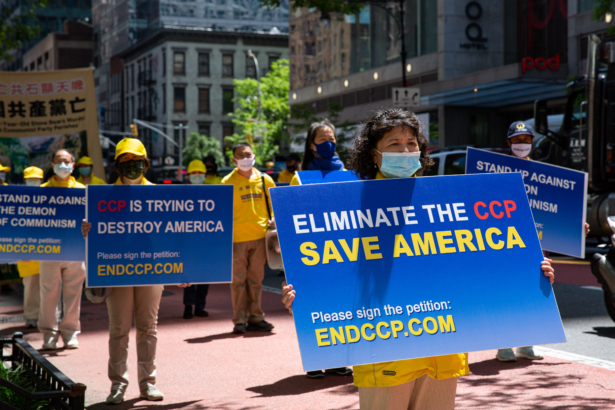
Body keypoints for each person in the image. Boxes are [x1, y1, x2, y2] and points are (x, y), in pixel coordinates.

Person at [282, 109, 556, 410]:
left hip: (444, 352)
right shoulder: (348, 204)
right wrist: (303, 296)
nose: (405, 150)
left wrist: (531, 273)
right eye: (394, 144)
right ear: (374, 153)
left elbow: (482, 258)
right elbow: (326, 266)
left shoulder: (444, 199)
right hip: (384, 353)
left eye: (411, 143)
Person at [495, 121, 589, 362]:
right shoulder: (497, 172)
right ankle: (503, 345)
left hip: (537, 244)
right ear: (509, 143)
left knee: (534, 290)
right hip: (505, 242)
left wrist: (576, 228)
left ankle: (527, 344)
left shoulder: (544, 176)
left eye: (526, 140)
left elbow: (557, 211)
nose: (522, 144)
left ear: (532, 142)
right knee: (506, 291)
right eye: (517, 140)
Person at [81, 138, 164, 404]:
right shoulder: (102, 196)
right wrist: (87, 233)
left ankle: (148, 384)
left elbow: (174, 235)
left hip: (152, 271)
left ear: (146, 163)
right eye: (126, 161)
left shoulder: (160, 195)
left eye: (136, 160)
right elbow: (97, 238)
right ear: (117, 166)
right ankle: (118, 385)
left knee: (148, 327)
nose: (132, 166)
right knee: (118, 328)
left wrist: (183, 269)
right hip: (118, 272)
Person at [221, 142, 275, 334]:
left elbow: (274, 204)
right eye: (240, 155)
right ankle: (239, 320)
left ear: (253, 156)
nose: (245, 158)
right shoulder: (227, 182)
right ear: (234, 159)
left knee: (256, 280)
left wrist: (274, 219)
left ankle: (256, 317)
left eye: (248, 154)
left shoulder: (264, 179)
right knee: (237, 282)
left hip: (260, 237)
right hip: (236, 239)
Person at [38, 150, 86, 350]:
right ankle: (49, 333)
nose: (63, 165)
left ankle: (70, 332)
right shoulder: (42, 191)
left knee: (73, 294)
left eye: (66, 162)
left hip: (75, 250)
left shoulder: (82, 191)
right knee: (48, 293)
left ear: (73, 165)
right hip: (49, 251)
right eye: (59, 161)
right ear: (52, 164)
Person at [182, 159, 211, 319]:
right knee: (188, 275)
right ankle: (188, 307)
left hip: (205, 241)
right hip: (187, 241)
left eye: (200, 173)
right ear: (189, 175)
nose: (197, 176)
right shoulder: (183, 193)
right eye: (194, 173)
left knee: (204, 275)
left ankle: (200, 307)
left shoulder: (210, 193)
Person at [18, 167, 45, 329]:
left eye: (36, 179)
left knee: (50, 286)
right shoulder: (19, 198)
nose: (33, 182)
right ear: (24, 180)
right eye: (30, 179)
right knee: (31, 286)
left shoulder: (49, 196)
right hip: (27, 250)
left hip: (49, 249)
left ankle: (48, 317)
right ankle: (31, 317)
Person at [290, 120, 344, 186]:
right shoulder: (299, 180)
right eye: (322, 139)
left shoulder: (346, 175)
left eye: (331, 139)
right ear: (311, 145)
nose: (328, 144)